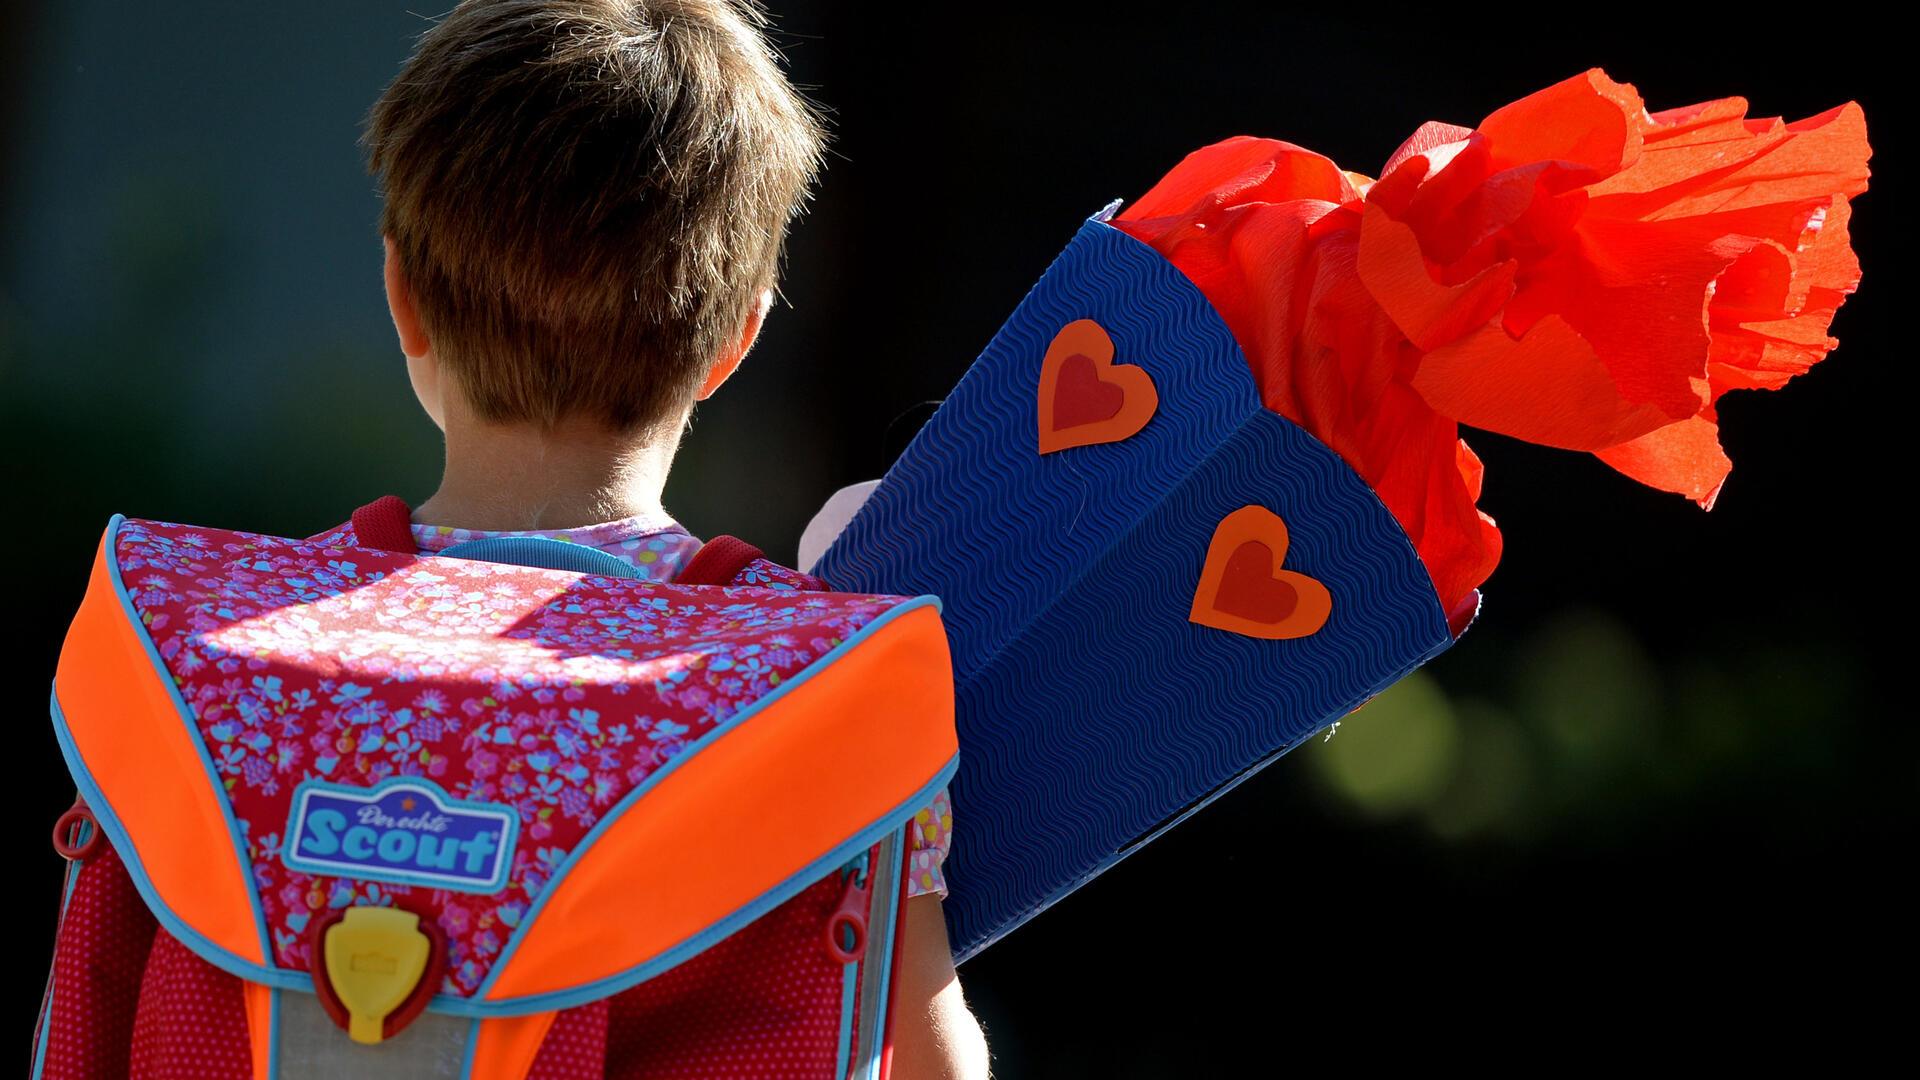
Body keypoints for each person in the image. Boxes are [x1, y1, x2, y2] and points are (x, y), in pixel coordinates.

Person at [342, 2, 987, 1074]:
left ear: (404, 297)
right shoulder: (827, 687)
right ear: (737, 338)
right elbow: (927, 1059)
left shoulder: (208, 648)